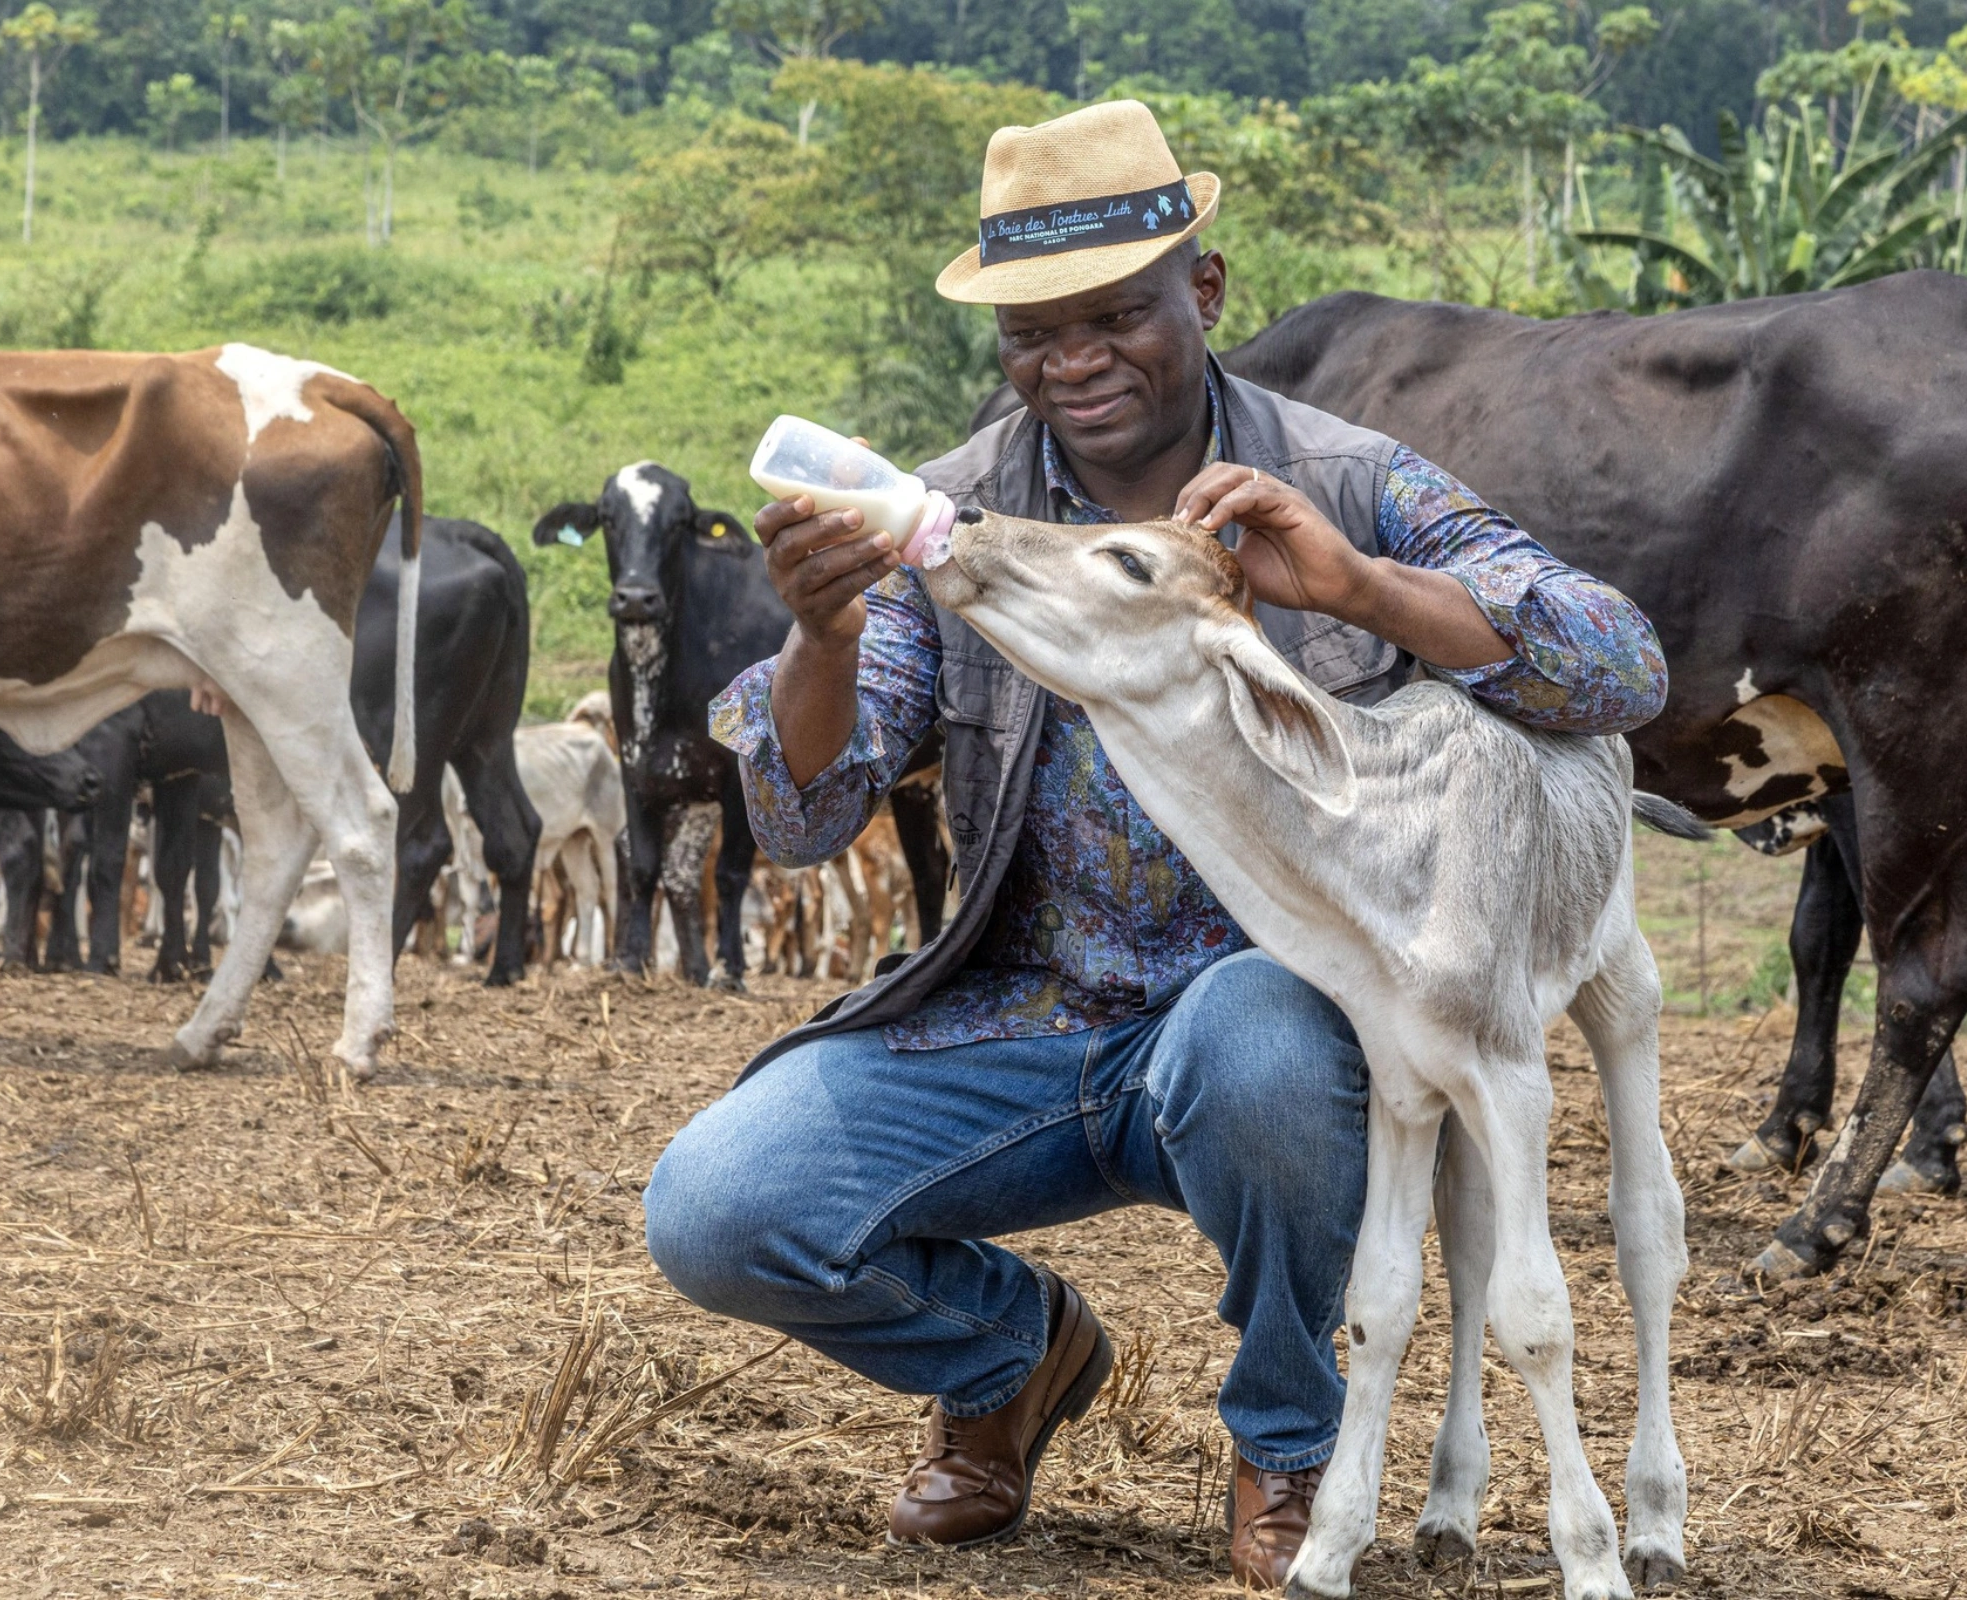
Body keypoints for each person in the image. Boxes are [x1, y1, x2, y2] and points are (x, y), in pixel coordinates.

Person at [643, 99, 1667, 1590]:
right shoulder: (957, 522)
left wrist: (1365, 591)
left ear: (1205, 291)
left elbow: (1622, 664)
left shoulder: (1344, 482)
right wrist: (819, 635)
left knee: (1259, 1046)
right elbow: (804, 820)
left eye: (1116, 314)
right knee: (718, 1210)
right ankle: (1012, 1357)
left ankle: (1286, 1439)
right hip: (1016, 1014)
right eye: (1032, 334)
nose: (1073, 361)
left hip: (1274, 1029)